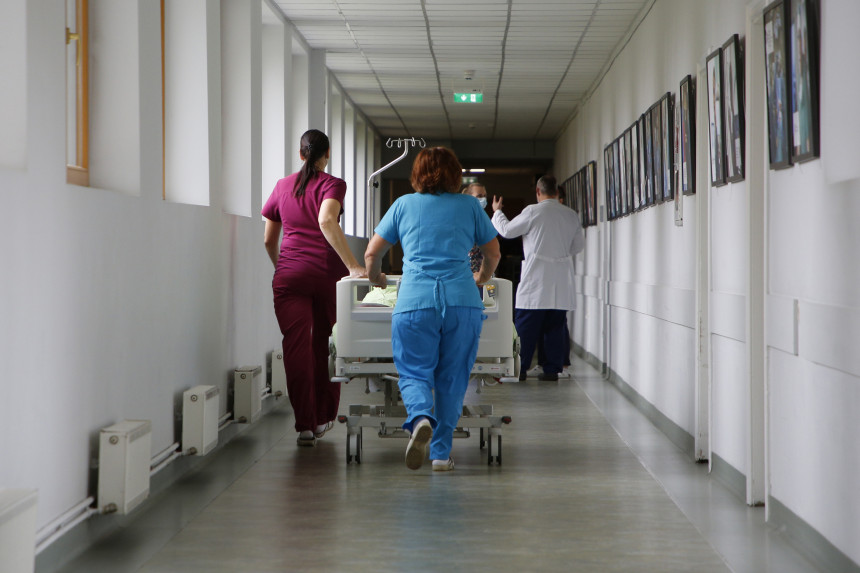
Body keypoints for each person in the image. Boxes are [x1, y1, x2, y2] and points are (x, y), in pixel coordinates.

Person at [365, 147, 500, 472]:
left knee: (413, 372)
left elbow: (371, 254)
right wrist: (482, 277)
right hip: (461, 302)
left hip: (415, 302)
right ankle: (440, 455)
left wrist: (376, 279)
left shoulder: (403, 205)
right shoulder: (470, 206)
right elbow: (493, 253)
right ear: (455, 175)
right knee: (452, 379)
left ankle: (420, 417)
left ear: (417, 174)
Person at [262, 129, 366, 447]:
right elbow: (326, 220)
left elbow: (268, 240)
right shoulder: (333, 184)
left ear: (301, 153)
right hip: (325, 274)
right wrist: (354, 266)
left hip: (289, 276)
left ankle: (305, 426)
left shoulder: (281, 186)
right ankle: (323, 418)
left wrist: (283, 268)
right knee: (326, 345)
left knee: (296, 348)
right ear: (327, 154)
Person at [491, 175, 584, 382]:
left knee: (526, 326)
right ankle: (551, 370)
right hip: (561, 279)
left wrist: (497, 212)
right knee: (555, 326)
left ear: (538, 192)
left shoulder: (533, 211)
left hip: (536, 277)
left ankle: (519, 370)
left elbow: (507, 231)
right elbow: (578, 246)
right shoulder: (571, 215)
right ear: (557, 192)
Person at [462, 182, 491, 274]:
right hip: (466, 272)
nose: (483, 199)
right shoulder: (462, 219)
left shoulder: (483, 219)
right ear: (469, 198)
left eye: (485, 196)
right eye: (479, 196)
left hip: (482, 272)